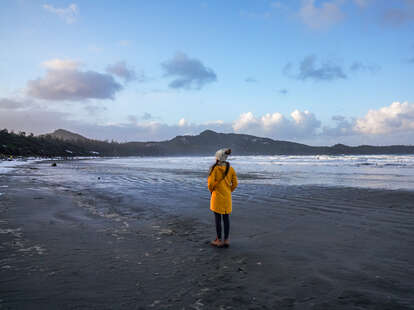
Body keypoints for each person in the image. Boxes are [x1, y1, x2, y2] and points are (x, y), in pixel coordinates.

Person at [208, 148, 238, 248]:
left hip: (217, 197)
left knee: (217, 219)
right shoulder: (231, 169)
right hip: (227, 197)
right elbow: (235, 184)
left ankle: (218, 240)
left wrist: (212, 190)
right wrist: (229, 190)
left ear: (217, 157)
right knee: (226, 218)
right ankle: (226, 240)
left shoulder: (215, 168)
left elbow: (210, 184)